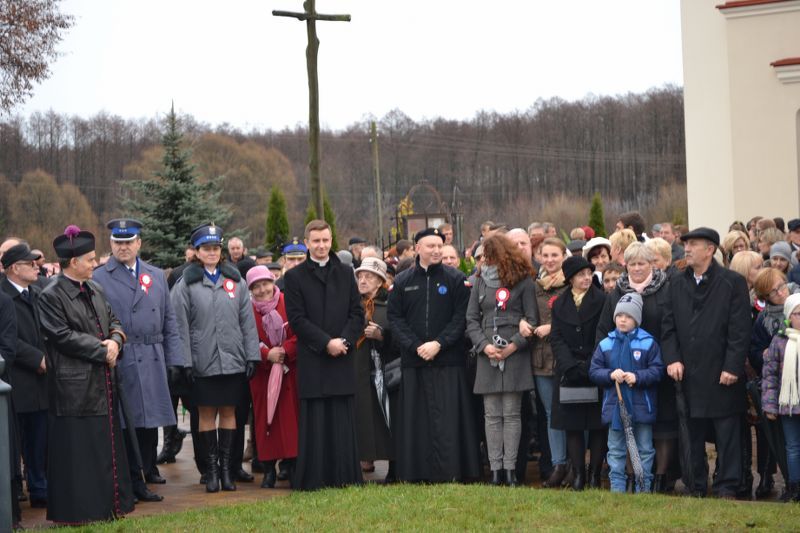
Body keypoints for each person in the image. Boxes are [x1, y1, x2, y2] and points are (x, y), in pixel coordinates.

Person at [37, 225, 135, 524]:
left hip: (103, 383)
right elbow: (61, 336)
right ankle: (79, 513)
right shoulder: (50, 294)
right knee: (78, 454)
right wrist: (101, 349)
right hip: (73, 388)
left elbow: (114, 320)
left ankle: (108, 508)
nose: (96, 264)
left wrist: (115, 342)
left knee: (103, 449)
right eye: (90, 260)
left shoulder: (95, 288)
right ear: (73, 262)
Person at [92, 219, 185, 502]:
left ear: (139, 243)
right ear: (111, 244)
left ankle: (146, 471)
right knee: (126, 422)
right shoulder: (99, 277)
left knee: (150, 421)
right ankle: (132, 479)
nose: (123, 247)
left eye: (128, 242)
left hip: (153, 356)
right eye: (118, 242)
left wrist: (175, 359)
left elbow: (169, 319)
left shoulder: (156, 275)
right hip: (122, 357)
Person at [661, 227, 751, 498]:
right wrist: (672, 359)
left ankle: (728, 485)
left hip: (722, 374)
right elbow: (668, 327)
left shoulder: (731, 283)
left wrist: (732, 367)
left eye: (694, 245)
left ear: (710, 249)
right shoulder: (675, 282)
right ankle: (696, 484)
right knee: (692, 435)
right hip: (687, 374)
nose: (686, 249)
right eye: (685, 245)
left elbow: (740, 330)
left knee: (727, 435)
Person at [171, 223, 260, 493]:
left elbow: (247, 322)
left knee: (230, 413)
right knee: (207, 413)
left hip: (232, 359)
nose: (211, 252)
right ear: (197, 251)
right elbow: (179, 326)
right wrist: (184, 361)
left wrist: (252, 355)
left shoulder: (235, 281)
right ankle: (210, 471)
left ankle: (226, 469)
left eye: (215, 248)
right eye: (205, 248)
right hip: (201, 361)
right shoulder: (185, 283)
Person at [388, 227, 480, 483]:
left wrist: (439, 343)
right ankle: (417, 473)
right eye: (431, 246)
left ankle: (452, 472)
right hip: (414, 362)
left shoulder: (456, 279)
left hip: (448, 361)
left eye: (440, 246)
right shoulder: (403, 281)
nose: (437, 250)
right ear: (417, 248)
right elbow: (395, 318)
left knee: (449, 421)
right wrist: (416, 345)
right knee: (417, 421)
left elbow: (462, 317)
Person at [284, 220, 365, 491]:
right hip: (314, 358)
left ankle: (345, 476)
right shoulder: (295, 278)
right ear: (307, 243)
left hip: (342, 356)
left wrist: (343, 340)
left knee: (342, 418)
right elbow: (297, 319)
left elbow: (357, 313)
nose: (321, 246)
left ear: (332, 241)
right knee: (316, 420)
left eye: (326, 240)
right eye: (316, 241)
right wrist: (325, 343)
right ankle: (315, 478)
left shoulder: (345, 272)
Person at [596, 242, 675, 493]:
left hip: (653, 367)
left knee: (655, 429)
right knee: (621, 436)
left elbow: (672, 326)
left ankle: (655, 479)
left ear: (652, 263)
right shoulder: (616, 292)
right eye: (632, 264)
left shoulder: (666, 289)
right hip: (622, 376)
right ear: (625, 265)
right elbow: (603, 332)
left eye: (642, 263)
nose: (638, 268)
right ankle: (625, 480)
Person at [466, 234, 538, 486]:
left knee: (512, 413)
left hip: (514, 354)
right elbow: (472, 319)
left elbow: (532, 319)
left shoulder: (523, 281)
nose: (484, 260)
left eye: (488, 255)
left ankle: (510, 470)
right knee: (491, 414)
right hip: (488, 354)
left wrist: (513, 346)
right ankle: (495, 470)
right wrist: (484, 346)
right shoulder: (479, 281)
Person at [590, 293, 664, 493]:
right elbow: (594, 371)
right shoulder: (606, 344)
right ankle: (617, 488)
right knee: (615, 450)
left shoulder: (649, 343)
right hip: (615, 408)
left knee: (645, 449)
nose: (623, 319)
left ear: (637, 319)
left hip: (641, 408)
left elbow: (657, 370)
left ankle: (643, 487)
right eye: (620, 315)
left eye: (628, 316)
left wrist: (638, 377)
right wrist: (609, 374)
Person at [549, 255, 607, 490]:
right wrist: (570, 366)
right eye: (581, 274)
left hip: (596, 368)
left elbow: (603, 333)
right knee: (572, 425)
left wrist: (591, 365)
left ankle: (594, 475)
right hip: (568, 372)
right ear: (570, 278)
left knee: (597, 425)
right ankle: (579, 475)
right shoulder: (560, 304)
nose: (586, 277)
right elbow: (557, 338)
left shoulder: (602, 299)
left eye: (588, 273)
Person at [1, 244, 48, 509]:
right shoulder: (3, 296)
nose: (36, 266)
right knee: (15, 440)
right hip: (16, 379)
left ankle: (40, 487)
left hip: (41, 381)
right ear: (14, 268)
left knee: (39, 438)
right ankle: (16, 488)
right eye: (29, 264)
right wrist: (36, 358)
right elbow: (7, 341)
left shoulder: (37, 294)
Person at [522, 237, 570, 487]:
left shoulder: (572, 283)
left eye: (555, 255)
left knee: (571, 411)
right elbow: (525, 312)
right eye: (546, 255)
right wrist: (523, 322)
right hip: (541, 360)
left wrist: (552, 327)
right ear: (539, 257)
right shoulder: (533, 286)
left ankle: (575, 465)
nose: (550, 260)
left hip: (566, 360)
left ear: (563, 256)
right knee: (551, 414)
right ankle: (557, 464)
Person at [245, 266, 299, 489]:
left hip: (290, 371)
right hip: (262, 374)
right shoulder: (247, 310)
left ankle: (291, 464)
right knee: (265, 421)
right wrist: (267, 354)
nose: (262, 290)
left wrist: (285, 350)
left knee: (290, 422)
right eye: (256, 287)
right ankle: (268, 469)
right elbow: (244, 338)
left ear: (273, 281)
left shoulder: (289, 301)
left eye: (265, 283)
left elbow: (300, 330)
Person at [352, 257, 394, 478]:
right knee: (362, 411)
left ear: (380, 281)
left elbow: (397, 332)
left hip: (384, 365)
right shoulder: (353, 304)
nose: (363, 280)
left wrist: (381, 335)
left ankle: (391, 460)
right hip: (358, 365)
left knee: (383, 411)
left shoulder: (390, 303)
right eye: (360, 276)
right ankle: (365, 457)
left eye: (369, 276)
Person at [762, 292, 800, 502]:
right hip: (789, 405)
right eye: (797, 314)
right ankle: (794, 485)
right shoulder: (780, 340)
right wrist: (769, 405)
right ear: (789, 316)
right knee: (792, 447)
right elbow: (769, 375)